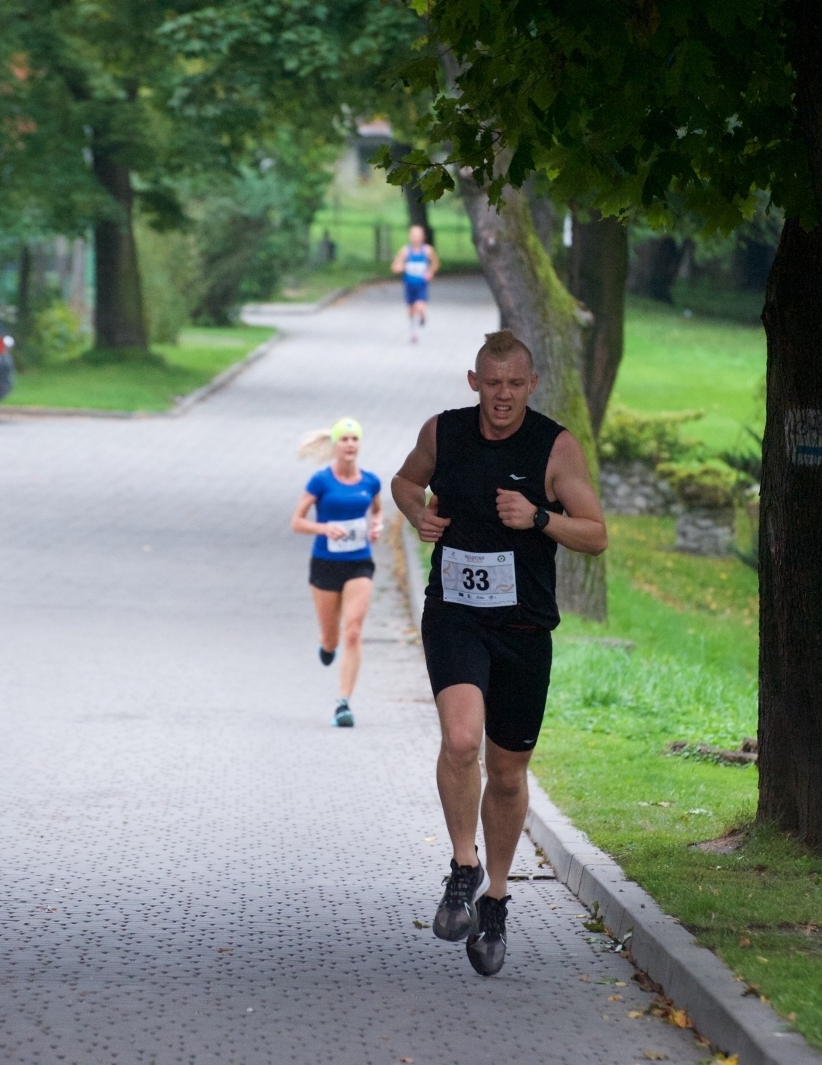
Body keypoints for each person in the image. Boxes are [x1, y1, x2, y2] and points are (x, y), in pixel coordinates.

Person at [390, 329, 607, 977]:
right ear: (474, 381)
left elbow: (595, 534)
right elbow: (404, 482)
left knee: (507, 773)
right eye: (492, 382)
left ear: (530, 384)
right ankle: (463, 864)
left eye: (515, 383)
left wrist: (538, 518)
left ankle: (497, 896)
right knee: (461, 741)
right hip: (455, 615)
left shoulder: (554, 445)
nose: (503, 394)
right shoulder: (445, 432)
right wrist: (417, 515)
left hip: (521, 629)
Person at [292, 417, 383, 727]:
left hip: (359, 563)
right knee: (332, 639)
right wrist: (324, 528)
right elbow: (297, 522)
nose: (350, 444)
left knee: (354, 631)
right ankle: (327, 645)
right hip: (325, 564)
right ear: (334, 445)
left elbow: (378, 511)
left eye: (354, 439)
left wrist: (376, 526)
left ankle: (343, 704)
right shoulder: (320, 481)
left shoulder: (370, 482)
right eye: (344, 439)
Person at [390, 224, 439, 343]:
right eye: (413, 235)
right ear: (410, 236)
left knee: (420, 306)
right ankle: (413, 332)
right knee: (411, 310)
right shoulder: (405, 251)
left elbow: (435, 263)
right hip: (409, 285)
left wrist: (430, 272)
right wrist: (400, 267)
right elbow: (395, 266)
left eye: (418, 235)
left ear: (423, 237)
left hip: (421, 285)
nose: (416, 238)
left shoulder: (427, 250)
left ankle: (422, 315)